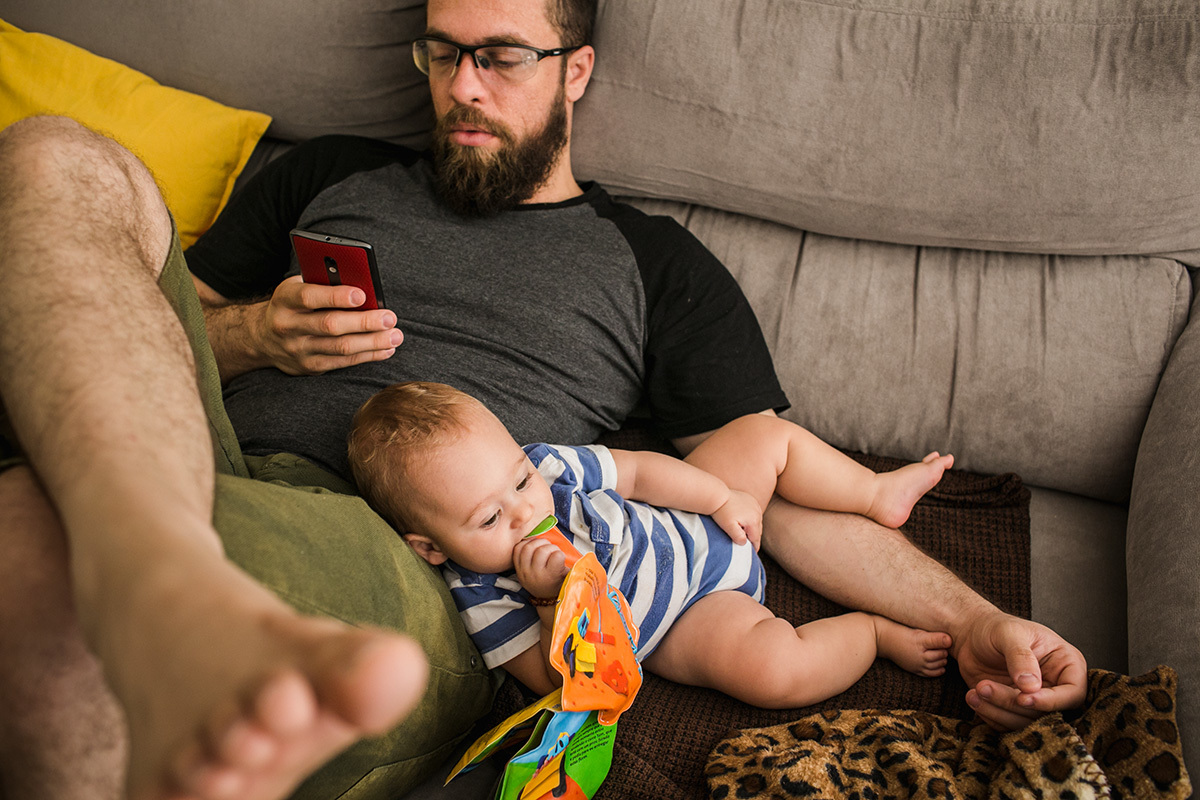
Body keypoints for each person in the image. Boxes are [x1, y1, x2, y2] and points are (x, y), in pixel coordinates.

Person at [0, 0, 1087, 799]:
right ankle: (160, 561)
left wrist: (975, 622)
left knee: (34, 561)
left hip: (411, 554)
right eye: (443, 52)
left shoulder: (653, 263)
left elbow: (765, 490)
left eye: (502, 56)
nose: (463, 87)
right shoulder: (325, 172)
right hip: (172, 446)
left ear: (577, 71)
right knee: (53, 155)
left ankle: (145, 568)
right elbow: (138, 315)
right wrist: (249, 335)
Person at [349, 381, 960, 705]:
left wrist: (720, 497)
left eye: (520, 481)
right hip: (687, 617)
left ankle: (873, 492)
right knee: (775, 673)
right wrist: (548, 600)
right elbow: (563, 688)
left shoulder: (547, 466)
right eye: (489, 519)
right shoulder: (482, 595)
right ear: (430, 548)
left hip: (693, 517)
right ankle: (872, 635)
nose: (526, 510)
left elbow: (638, 472)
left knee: (761, 434)